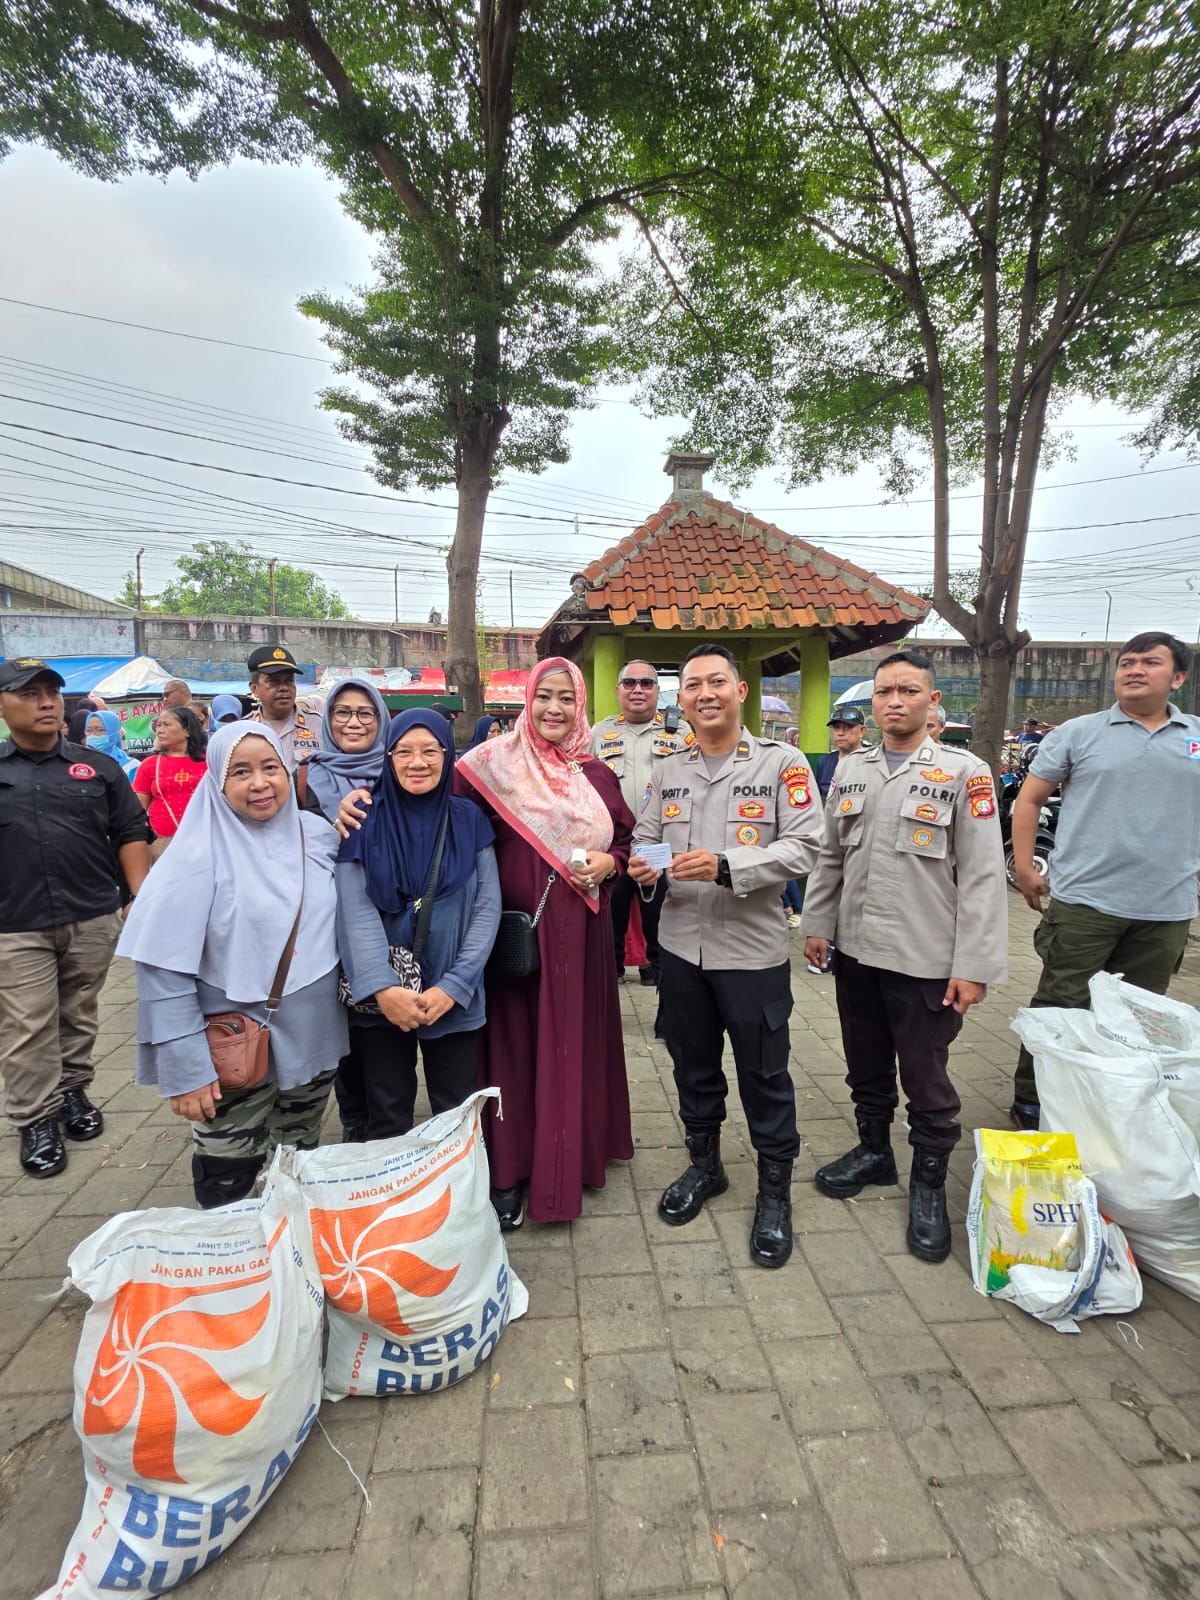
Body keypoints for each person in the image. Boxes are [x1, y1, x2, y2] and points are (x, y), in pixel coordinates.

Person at [801, 649, 1008, 1263]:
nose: (895, 701)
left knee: (926, 1078)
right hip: (857, 951)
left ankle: (928, 1185)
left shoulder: (964, 773)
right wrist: (817, 924)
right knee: (865, 1063)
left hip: (926, 958)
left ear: (931, 700)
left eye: (909, 691)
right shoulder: (852, 769)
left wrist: (974, 966)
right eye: (884, 691)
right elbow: (830, 857)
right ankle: (874, 1152)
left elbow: (982, 876)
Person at [629, 646, 823, 1268]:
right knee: (693, 1066)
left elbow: (806, 846)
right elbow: (647, 837)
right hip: (681, 948)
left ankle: (775, 1191)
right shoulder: (669, 770)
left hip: (751, 952)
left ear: (739, 691)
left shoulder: (782, 763)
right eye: (693, 685)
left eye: (717, 682)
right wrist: (643, 865)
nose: (705, 694)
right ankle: (706, 1166)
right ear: (681, 699)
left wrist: (725, 865)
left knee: (764, 1074)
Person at [118, 722, 346, 1208]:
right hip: (229, 1046)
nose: (260, 783)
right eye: (240, 772)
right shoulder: (194, 854)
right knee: (228, 1174)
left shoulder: (317, 836)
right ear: (217, 782)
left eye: (270, 768)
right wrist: (185, 1068)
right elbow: (162, 969)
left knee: (299, 1162)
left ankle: (288, 1247)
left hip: (312, 1039)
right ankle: (231, 1251)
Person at [458, 656, 634, 1228]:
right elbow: (442, 819)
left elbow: (626, 840)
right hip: (515, 939)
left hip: (582, 938)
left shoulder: (597, 775)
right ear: (527, 700)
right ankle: (508, 1170)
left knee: (573, 1044)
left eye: (566, 698)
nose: (554, 709)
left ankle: (571, 1158)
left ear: (580, 704)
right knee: (514, 1046)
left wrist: (611, 863)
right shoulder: (488, 767)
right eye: (544, 696)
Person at [1010, 632, 1200, 1128]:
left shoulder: (1196, 738)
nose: (1134, 670)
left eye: (1150, 662)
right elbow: (1030, 799)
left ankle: (1116, 1104)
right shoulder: (1079, 733)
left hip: (1166, 909)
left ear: (1178, 677)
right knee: (1060, 1005)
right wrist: (1025, 866)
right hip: (1085, 903)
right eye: (1127, 662)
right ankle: (1034, 1101)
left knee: (1138, 1018)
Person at [0, 658, 150, 1177]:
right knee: (28, 1023)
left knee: (79, 1012)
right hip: (15, 923)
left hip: (91, 914)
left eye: (52, 693)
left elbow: (130, 831)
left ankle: (72, 1092)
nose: (46, 703)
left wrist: (138, 897)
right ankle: (34, 1118)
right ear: (3, 706)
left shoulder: (97, 768)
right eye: (29, 694)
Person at [336, 711, 500, 1139]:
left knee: (456, 1114)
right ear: (388, 757)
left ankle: (456, 1184)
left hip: (454, 994)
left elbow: (487, 908)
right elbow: (354, 911)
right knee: (387, 1116)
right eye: (404, 751)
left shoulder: (469, 819)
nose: (417, 762)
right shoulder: (362, 819)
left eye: (430, 750)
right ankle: (392, 1184)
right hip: (382, 1002)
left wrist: (456, 985)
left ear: (448, 756)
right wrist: (383, 989)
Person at [297, 675, 390, 1140]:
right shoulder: (306, 777)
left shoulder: (400, 768)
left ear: (381, 719)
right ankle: (355, 1119)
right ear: (328, 719)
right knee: (344, 1018)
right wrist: (331, 826)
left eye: (365, 713)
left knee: (382, 1021)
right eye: (342, 712)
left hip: (390, 912)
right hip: (327, 918)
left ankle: (388, 1114)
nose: (354, 722)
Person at [590, 660, 688, 986]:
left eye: (646, 683)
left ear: (658, 691)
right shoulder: (599, 733)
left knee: (660, 918)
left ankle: (662, 979)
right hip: (615, 846)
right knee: (611, 918)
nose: (638, 690)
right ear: (618, 690)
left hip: (662, 845)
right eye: (630, 683)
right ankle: (610, 978)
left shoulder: (681, 733)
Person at [132, 705, 208, 859]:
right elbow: (137, 809)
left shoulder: (209, 763)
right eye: (158, 725)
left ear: (187, 730)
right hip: (161, 842)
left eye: (166, 725)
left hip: (205, 840)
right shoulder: (150, 764)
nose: (160, 730)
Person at [245, 644, 320, 771]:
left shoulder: (318, 725)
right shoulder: (243, 730)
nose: (284, 688)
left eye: (289, 681)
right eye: (273, 681)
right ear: (254, 688)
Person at [814, 707, 868, 800]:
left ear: (862, 731)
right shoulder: (824, 762)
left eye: (847, 727)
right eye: (836, 727)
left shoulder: (871, 762)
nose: (840, 733)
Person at [83, 710, 140, 781]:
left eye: (99, 730)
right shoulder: (78, 762)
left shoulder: (130, 766)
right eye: (88, 730)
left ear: (114, 733)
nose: (92, 735)